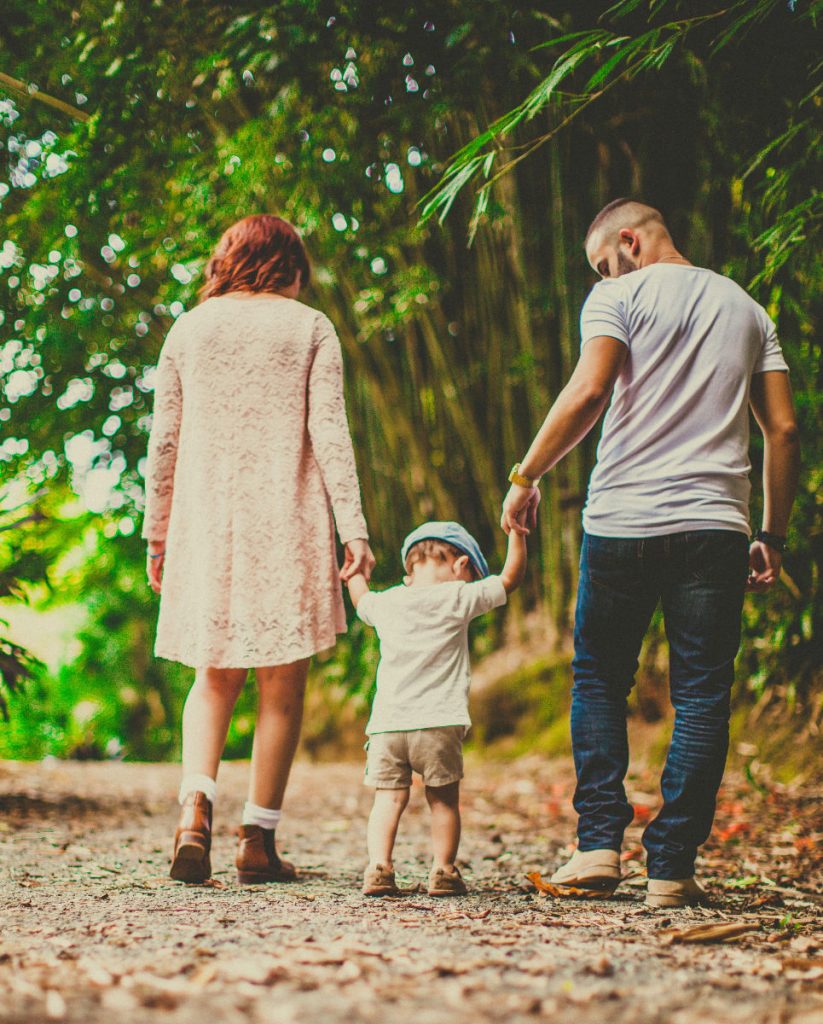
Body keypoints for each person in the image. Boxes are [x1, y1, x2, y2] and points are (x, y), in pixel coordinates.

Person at [501, 199, 799, 908]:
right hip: (714, 528)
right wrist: (772, 534)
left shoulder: (618, 295)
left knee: (599, 681)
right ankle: (669, 869)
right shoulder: (748, 308)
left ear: (628, 241)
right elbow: (781, 431)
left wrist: (525, 476)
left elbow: (589, 389)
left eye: (605, 259)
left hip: (623, 523)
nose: (604, 273)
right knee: (701, 695)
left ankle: (597, 849)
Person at [142, 214, 374, 885]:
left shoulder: (190, 327)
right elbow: (330, 433)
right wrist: (352, 529)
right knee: (282, 685)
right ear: (290, 265)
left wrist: (157, 531)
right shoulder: (307, 327)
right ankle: (256, 841)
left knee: (211, 675)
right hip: (288, 518)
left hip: (206, 523)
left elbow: (164, 442)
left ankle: (193, 814)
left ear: (227, 261)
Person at [346, 521, 526, 897]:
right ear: (461, 567)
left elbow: (360, 597)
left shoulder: (389, 601)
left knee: (388, 799)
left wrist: (356, 570)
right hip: (439, 722)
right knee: (443, 800)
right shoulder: (457, 597)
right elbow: (510, 577)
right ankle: (443, 870)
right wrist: (517, 534)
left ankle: (379, 867)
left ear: (409, 570)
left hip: (388, 726)